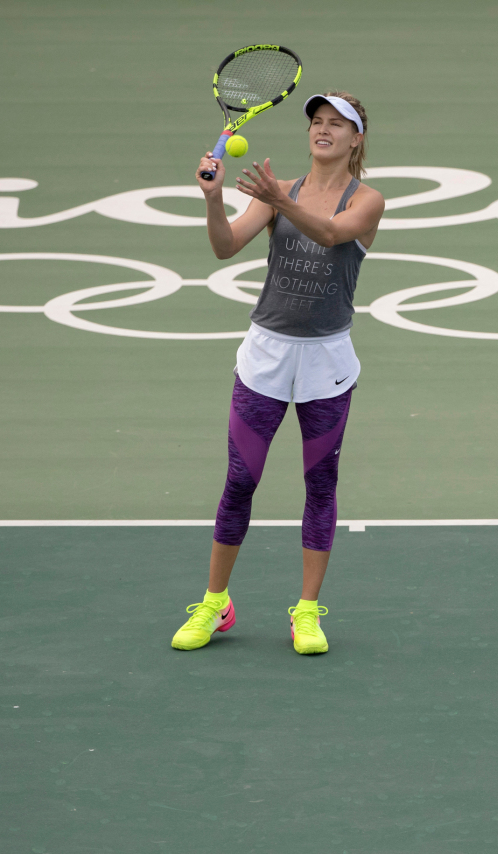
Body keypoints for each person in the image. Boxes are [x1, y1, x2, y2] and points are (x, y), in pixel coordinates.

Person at [171, 91, 385, 655]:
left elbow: (332, 234)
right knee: (240, 481)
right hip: (266, 354)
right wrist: (214, 199)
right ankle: (216, 602)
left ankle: (307, 612)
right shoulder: (278, 191)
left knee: (320, 486)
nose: (324, 130)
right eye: (317, 121)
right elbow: (224, 247)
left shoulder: (367, 200)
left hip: (326, 362)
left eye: (337, 124)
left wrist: (276, 201)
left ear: (356, 138)